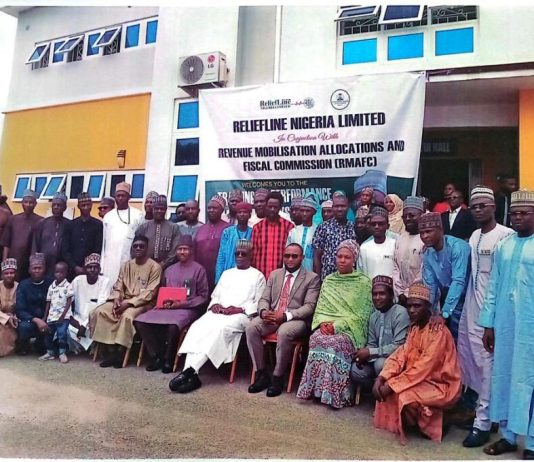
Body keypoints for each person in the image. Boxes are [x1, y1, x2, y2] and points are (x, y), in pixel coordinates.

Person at [456, 186, 514, 448]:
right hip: (472, 308)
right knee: (473, 364)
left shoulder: (506, 236)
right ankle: (485, 416)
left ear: (493, 207)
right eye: (475, 206)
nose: (478, 210)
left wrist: (492, 318)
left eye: (483, 206)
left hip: (493, 312)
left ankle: (483, 424)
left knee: (489, 366)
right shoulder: (473, 236)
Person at [479, 189, 534, 459]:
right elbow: (493, 287)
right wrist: (488, 324)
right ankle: (508, 437)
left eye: (524, 213)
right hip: (505, 325)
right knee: (505, 379)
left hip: (531, 328)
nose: (518, 218)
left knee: (530, 381)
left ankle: (533, 442)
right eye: (514, 214)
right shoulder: (505, 245)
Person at [169, 240, 266, 393]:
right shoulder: (227, 273)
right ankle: (191, 374)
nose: (240, 256)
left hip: (241, 316)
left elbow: (259, 302)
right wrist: (215, 304)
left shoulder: (258, 276)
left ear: (251, 255)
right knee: (198, 327)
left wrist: (239, 309)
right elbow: (216, 296)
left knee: (219, 330)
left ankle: (189, 371)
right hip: (219, 313)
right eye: (237, 254)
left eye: (244, 254)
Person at [373, 283, 462, 445]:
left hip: (440, 385)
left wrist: (392, 385)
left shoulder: (438, 332)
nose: (412, 310)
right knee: (389, 388)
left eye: (417, 306)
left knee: (403, 395)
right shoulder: (414, 329)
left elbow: (423, 367)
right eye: (409, 306)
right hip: (421, 380)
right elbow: (400, 355)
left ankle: (436, 421)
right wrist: (382, 377)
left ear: (428, 307)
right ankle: (419, 418)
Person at [296, 240, 373, 408]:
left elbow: (361, 315)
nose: (342, 260)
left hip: (349, 330)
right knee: (316, 339)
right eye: (339, 256)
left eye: (347, 257)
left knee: (336, 343)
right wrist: (323, 323)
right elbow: (321, 307)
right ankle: (316, 391)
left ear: (354, 260)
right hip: (326, 325)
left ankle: (337, 395)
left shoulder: (364, 283)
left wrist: (337, 326)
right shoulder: (329, 280)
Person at [247, 243, 321, 397]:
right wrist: (263, 312)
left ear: (302, 257)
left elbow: (309, 306)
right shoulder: (275, 274)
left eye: (294, 256)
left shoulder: (311, 278)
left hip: (296, 319)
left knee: (284, 332)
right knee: (251, 327)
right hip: (273, 315)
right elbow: (264, 298)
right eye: (287, 256)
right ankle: (261, 373)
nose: (290, 259)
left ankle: (278, 377)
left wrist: (286, 316)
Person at [134, 234, 209, 373]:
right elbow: (162, 290)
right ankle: (157, 356)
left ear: (191, 250)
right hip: (166, 308)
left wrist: (182, 304)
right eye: (179, 249)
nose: (182, 252)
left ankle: (169, 358)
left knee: (173, 326)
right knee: (140, 321)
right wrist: (163, 302)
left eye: (185, 249)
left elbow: (204, 296)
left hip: (188, 308)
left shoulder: (199, 269)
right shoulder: (169, 270)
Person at [90, 235, 161, 368]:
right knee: (99, 311)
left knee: (127, 316)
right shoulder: (126, 265)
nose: (138, 248)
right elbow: (118, 285)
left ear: (147, 248)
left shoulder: (155, 267)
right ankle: (110, 350)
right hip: (123, 299)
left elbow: (150, 293)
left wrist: (128, 304)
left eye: (141, 246)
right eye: (135, 246)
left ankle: (121, 352)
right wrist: (117, 299)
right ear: (132, 248)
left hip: (143, 303)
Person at [351, 276, 410, 391]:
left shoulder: (400, 313)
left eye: (382, 294)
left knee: (380, 364)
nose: (377, 298)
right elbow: (372, 343)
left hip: (396, 361)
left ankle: (387, 397)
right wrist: (363, 355)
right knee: (356, 370)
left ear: (391, 295)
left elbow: (399, 347)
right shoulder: (374, 316)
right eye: (375, 294)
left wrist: (370, 352)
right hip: (377, 358)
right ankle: (377, 392)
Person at [420, 212, 470, 340]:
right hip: (448, 299)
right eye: (422, 233)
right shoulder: (428, 253)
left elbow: (458, 281)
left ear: (440, 230)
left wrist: (444, 313)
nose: (425, 236)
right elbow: (430, 286)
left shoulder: (457, 247)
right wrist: (428, 311)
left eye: (429, 231)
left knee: (464, 341)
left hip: (469, 300)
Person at [100, 182, 143, 287]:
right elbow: (103, 243)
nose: (120, 198)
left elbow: (140, 240)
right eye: (118, 196)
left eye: (123, 196)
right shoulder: (108, 217)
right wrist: (102, 264)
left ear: (129, 197)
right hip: (110, 262)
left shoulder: (137, 215)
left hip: (129, 260)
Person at [69, 254, 113, 354]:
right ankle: (83, 347)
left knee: (98, 328)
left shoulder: (105, 282)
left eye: (95, 267)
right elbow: (67, 301)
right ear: (84, 269)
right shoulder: (77, 281)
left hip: (95, 320)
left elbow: (101, 306)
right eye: (89, 267)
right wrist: (71, 318)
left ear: (100, 269)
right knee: (65, 327)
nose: (92, 269)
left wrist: (85, 325)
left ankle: (85, 346)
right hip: (78, 319)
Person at [15, 253, 53, 355]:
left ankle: (40, 344)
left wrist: (45, 320)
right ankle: (24, 345)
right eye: (34, 268)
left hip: (48, 319)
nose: (37, 271)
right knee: (24, 327)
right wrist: (36, 320)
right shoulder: (23, 285)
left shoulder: (51, 283)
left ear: (44, 269)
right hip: (30, 320)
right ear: (29, 270)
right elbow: (19, 310)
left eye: (39, 268)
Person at [312, 191, 356, 281]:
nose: (339, 209)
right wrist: (318, 279)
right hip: (327, 278)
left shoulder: (353, 228)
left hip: (349, 278)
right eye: (336, 206)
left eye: (343, 206)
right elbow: (317, 256)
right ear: (333, 208)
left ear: (348, 208)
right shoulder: (323, 227)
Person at [1, 189, 43, 280]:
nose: (28, 205)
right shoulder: (13, 219)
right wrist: (4, 263)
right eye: (26, 202)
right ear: (22, 203)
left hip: (29, 262)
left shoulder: (40, 221)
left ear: (35, 204)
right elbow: (6, 244)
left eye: (31, 202)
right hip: (13, 262)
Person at [251, 191, 295, 279]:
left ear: (280, 208)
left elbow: (292, 255)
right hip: (260, 277)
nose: (272, 209)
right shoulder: (257, 227)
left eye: (275, 207)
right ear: (265, 206)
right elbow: (253, 255)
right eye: (269, 206)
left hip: (281, 278)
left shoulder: (289, 227)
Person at [61, 192, 103, 280]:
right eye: (83, 205)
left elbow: (98, 248)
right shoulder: (70, 225)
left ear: (91, 205)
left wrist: (89, 267)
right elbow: (65, 249)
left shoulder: (98, 225)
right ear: (78, 206)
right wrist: (75, 266)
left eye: (88, 205)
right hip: (72, 270)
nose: (86, 208)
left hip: (91, 270)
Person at [39, 261, 74, 363]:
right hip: (52, 316)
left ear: (66, 273)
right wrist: (45, 317)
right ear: (54, 273)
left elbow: (69, 302)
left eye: (61, 272)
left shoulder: (68, 286)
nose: (59, 274)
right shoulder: (51, 286)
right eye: (57, 272)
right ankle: (50, 353)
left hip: (63, 316)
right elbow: (48, 303)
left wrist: (63, 316)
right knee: (48, 334)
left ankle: (62, 353)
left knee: (61, 334)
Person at [393, 196, 425, 306]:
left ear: (422, 215)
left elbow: (424, 271)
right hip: (401, 297)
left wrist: (408, 293)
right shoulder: (400, 238)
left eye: (412, 215)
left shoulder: (426, 240)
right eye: (405, 216)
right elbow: (395, 267)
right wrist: (400, 292)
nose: (407, 219)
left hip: (421, 296)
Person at [195, 195, 230, 292]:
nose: (211, 210)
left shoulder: (228, 229)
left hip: (220, 274)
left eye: (215, 208)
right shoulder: (201, 229)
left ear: (222, 210)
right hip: (201, 274)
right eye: (209, 208)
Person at [136, 195, 181, 269]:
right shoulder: (144, 227)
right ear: (153, 209)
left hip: (167, 268)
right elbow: (136, 246)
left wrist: (164, 264)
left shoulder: (174, 227)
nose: (159, 211)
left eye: (162, 209)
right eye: (156, 208)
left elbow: (175, 249)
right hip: (145, 267)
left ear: (166, 210)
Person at [32, 191, 70, 276]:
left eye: (59, 205)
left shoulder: (69, 225)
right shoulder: (42, 223)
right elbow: (35, 246)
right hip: (44, 266)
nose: (56, 207)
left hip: (61, 267)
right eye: (54, 205)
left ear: (65, 207)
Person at [215, 201, 253, 283]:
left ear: (250, 215)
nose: (242, 214)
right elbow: (221, 256)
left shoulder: (253, 232)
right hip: (229, 272)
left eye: (245, 212)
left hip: (247, 275)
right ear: (236, 215)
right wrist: (218, 279)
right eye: (240, 212)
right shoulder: (227, 232)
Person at [358, 206, 396, 279]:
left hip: (391, 288)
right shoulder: (364, 248)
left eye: (380, 224)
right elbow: (361, 273)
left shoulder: (395, 245)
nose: (377, 227)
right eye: (373, 224)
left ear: (387, 226)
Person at [286, 194, 318, 272]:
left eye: (307, 211)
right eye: (302, 210)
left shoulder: (318, 230)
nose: (304, 213)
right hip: (294, 272)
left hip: (311, 272)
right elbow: (287, 253)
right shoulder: (293, 231)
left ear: (314, 212)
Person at [0, 258, 18, 357]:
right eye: (6, 273)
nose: (9, 275)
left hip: (14, 319)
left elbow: (21, 307)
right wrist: (6, 318)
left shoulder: (20, 287)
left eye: (12, 273)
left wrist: (12, 317)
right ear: (2, 275)